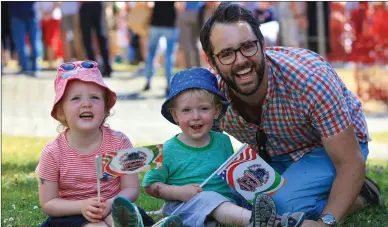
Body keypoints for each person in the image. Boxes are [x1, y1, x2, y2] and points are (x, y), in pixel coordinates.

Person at [199, 2, 381, 227]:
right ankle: (314, 187)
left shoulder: (310, 80)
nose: (241, 60)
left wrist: (326, 222)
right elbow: (202, 155)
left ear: (263, 44)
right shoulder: (210, 95)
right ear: (212, 62)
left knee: (280, 208)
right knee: (218, 194)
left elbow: (350, 161)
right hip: (273, 153)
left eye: (248, 46)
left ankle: (361, 195)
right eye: (226, 53)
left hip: (328, 148)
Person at [142, 68, 305, 227]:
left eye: (204, 108)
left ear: (216, 111)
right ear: (175, 115)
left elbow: (230, 177)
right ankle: (272, 222)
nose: (196, 116)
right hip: (185, 207)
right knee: (209, 198)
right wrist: (178, 192)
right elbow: (150, 185)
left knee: (244, 196)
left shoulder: (223, 141)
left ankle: (271, 215)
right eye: (186, 110)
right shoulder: (168, 150)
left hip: (223, 204)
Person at [35, 60, 156, 226]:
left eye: (95, 97)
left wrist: (111, 203)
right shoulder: (53, 152)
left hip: (114, 206)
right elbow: (48, 202)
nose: (86, 104)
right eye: (76, 98)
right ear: (61, 111)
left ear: (106, 108)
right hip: (71, 214)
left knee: (119, 220)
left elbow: (131, 189)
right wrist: (82, 206)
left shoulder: (120, 142)